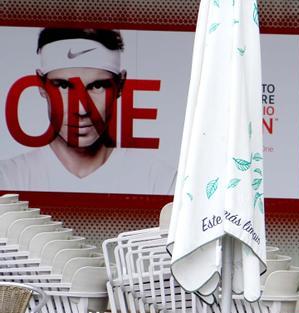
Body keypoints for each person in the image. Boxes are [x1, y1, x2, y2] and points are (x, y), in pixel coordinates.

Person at [0, 27, 176, 192]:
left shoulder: (159, 181)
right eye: (63, 85)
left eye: (97, 86)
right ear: (41, 85)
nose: (82, 108)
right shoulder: (8, 178)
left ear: (120, 85)